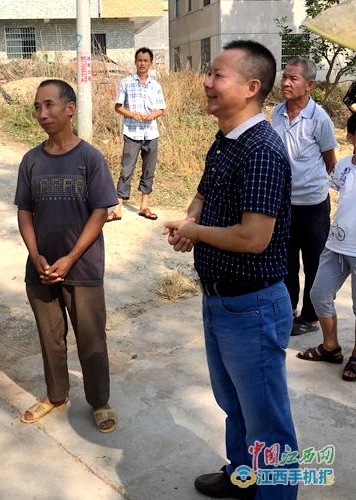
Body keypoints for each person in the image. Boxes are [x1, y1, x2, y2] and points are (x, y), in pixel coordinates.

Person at [164, 41, 298, 499]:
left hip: (253, 305)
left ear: (251, 87)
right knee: (234, 403)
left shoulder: (261, 150)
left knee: (267, 421)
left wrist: (196, 233)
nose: (207, 82)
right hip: (220, 299)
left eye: (217, 75)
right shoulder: (225, 140)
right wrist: (190, 224)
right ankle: (243, 475)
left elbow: (253, 237)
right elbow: (203, 194)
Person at [14, 79, 118, 432]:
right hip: (41, 269)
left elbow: (100, 212)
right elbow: (24, 211)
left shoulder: (89, 158)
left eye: (49, 105)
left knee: (91, 338)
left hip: (83, 268)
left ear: (70, 109)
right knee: (50, 337)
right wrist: (35, 255)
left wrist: (71, 257)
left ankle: (99, 401)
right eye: (37, 106)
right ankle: (56, 395)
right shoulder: (31, 160)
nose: (42, 113)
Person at [272, 57, 337, 336]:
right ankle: (288, 311)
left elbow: (330, 162)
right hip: (283, 202)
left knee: (314, 261)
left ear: (309, 85)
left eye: (293, 78)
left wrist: (311, 183)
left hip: (312, 204)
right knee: (285, 259)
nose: (285, 82)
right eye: (284, 76)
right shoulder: (276, 113)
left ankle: (311, 317)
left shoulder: (319, 119)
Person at [298, 112, 356, 381]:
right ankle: (330, 346)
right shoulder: (343, 166)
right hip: (336, 245)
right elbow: (332, 194)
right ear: (351, 137)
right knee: (319, 294)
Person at [107, 47, 166, 222]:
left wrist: (152, 115)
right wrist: (132, 114)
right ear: (135, 62)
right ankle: (117, 208)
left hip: (151, 134)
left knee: (149, 170)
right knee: (126, 170)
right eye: (140, 60)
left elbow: (161, 109)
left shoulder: (155, 85)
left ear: (150, 63)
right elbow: (118, 107)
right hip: (132, 133)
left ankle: (144, 206)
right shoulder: (126, 82)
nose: (142, 63)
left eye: (146, 61)